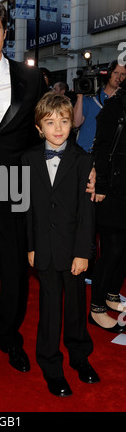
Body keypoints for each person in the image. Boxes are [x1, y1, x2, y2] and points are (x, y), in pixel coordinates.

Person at [0, 0, 95, 381]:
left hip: (17, 190)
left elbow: (52, 126)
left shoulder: (30, 78)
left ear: (6, 31)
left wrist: (83, 169)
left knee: (15, 271)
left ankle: (10, 339)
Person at [22, 92, 99, 397]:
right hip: (44, 248)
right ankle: (51, 366)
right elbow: (26, 207)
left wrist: (83, 252)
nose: (58, 128)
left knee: (76, 309)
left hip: (73, 249)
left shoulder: (83, 160)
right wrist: (31, 246)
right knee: (49, 310)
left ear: (72, 124)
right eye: (50, 122)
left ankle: (80, 358)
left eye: (64, 121)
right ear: (39, 127)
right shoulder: (27, 159)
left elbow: (86, 212)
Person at [88, 81, 126, 333]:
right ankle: (96, 308)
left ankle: (112, 294)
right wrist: (100, 184)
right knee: (112, 251)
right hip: (112, 191)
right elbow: (101, 146)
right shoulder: (115, 106)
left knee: (124, 251)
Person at [74, 60, 126, 152]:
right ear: (109, 73)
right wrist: (80, 97)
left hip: (107, 156)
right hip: (84, 153)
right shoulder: (91, 97)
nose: (118, 77)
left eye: (123, 74)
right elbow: (75, 123)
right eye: (116, 73)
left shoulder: (123, 102)